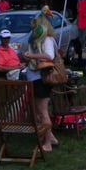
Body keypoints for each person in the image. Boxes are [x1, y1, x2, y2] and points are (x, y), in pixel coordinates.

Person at [22, 20, 60, 152]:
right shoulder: (37, 40)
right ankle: (52, 138)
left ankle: (47, 144)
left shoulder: (47, 39)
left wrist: (31, 55)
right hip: (35, 77)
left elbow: (49, 55)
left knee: (43, 112)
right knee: (39, 112)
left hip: (41, 78)